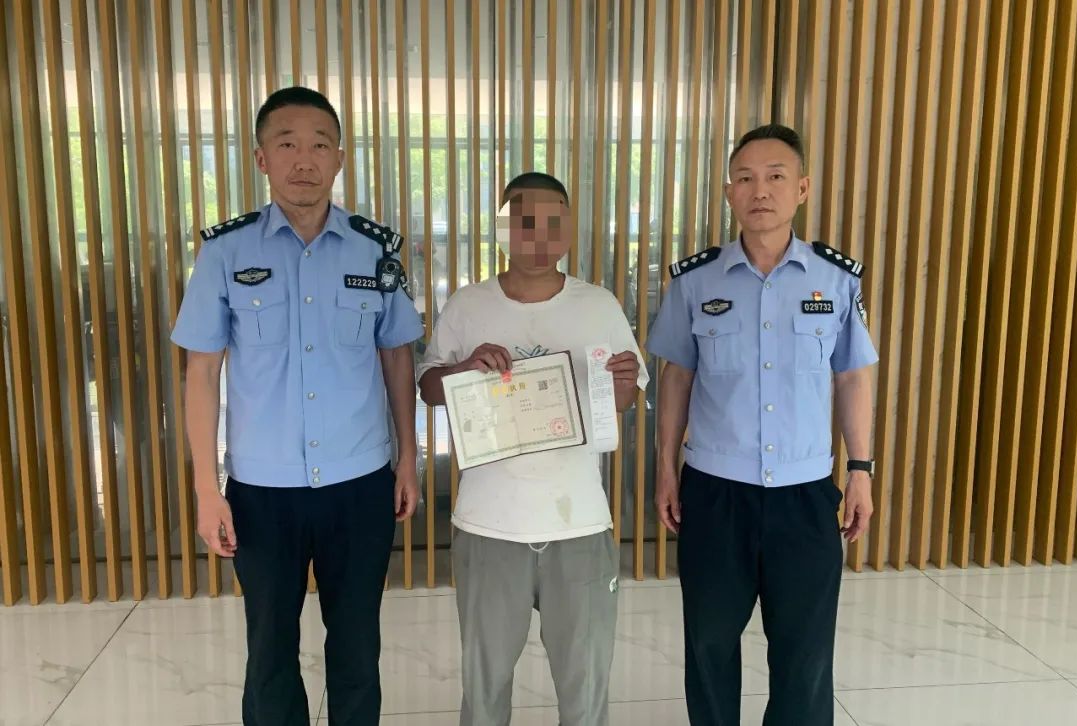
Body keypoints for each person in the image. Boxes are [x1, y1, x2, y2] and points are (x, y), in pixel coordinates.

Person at [171, 86, 423, 726]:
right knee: (270, 652)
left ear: (339, 157)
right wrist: (206, 490)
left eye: (318, 145)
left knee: (357, 648)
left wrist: (409, 458)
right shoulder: (225, 253)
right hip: (262, 491)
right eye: (286, 144)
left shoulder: (375, 250)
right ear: (261, 158)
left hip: (359, 483)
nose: (303, 159)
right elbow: (201, 373)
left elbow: (397, 357)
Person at [646, 124, 878, 725]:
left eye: (776, 176)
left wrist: (860, 470)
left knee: (805, 657)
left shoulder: (836, 279)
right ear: (729, 193)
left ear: (802, 188)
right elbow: (676, 377)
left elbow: (853, 377)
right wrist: (666, 468)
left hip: (804, 494)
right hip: (715, 492)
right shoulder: (695, 281)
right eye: (745, 178)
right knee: (709, 646)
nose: (760, 191)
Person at [417, 172, 648, 726]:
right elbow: (427, 386)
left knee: (585, 691)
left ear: (568, 227)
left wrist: (620, 387)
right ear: (502, 229)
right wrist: (464, 369)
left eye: (553, 223)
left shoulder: (599, 305)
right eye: (523, 223)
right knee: (485, 690)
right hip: (489, 525)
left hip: (579, 523)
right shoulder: (469, 305)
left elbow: (624, 397)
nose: (539, 236)